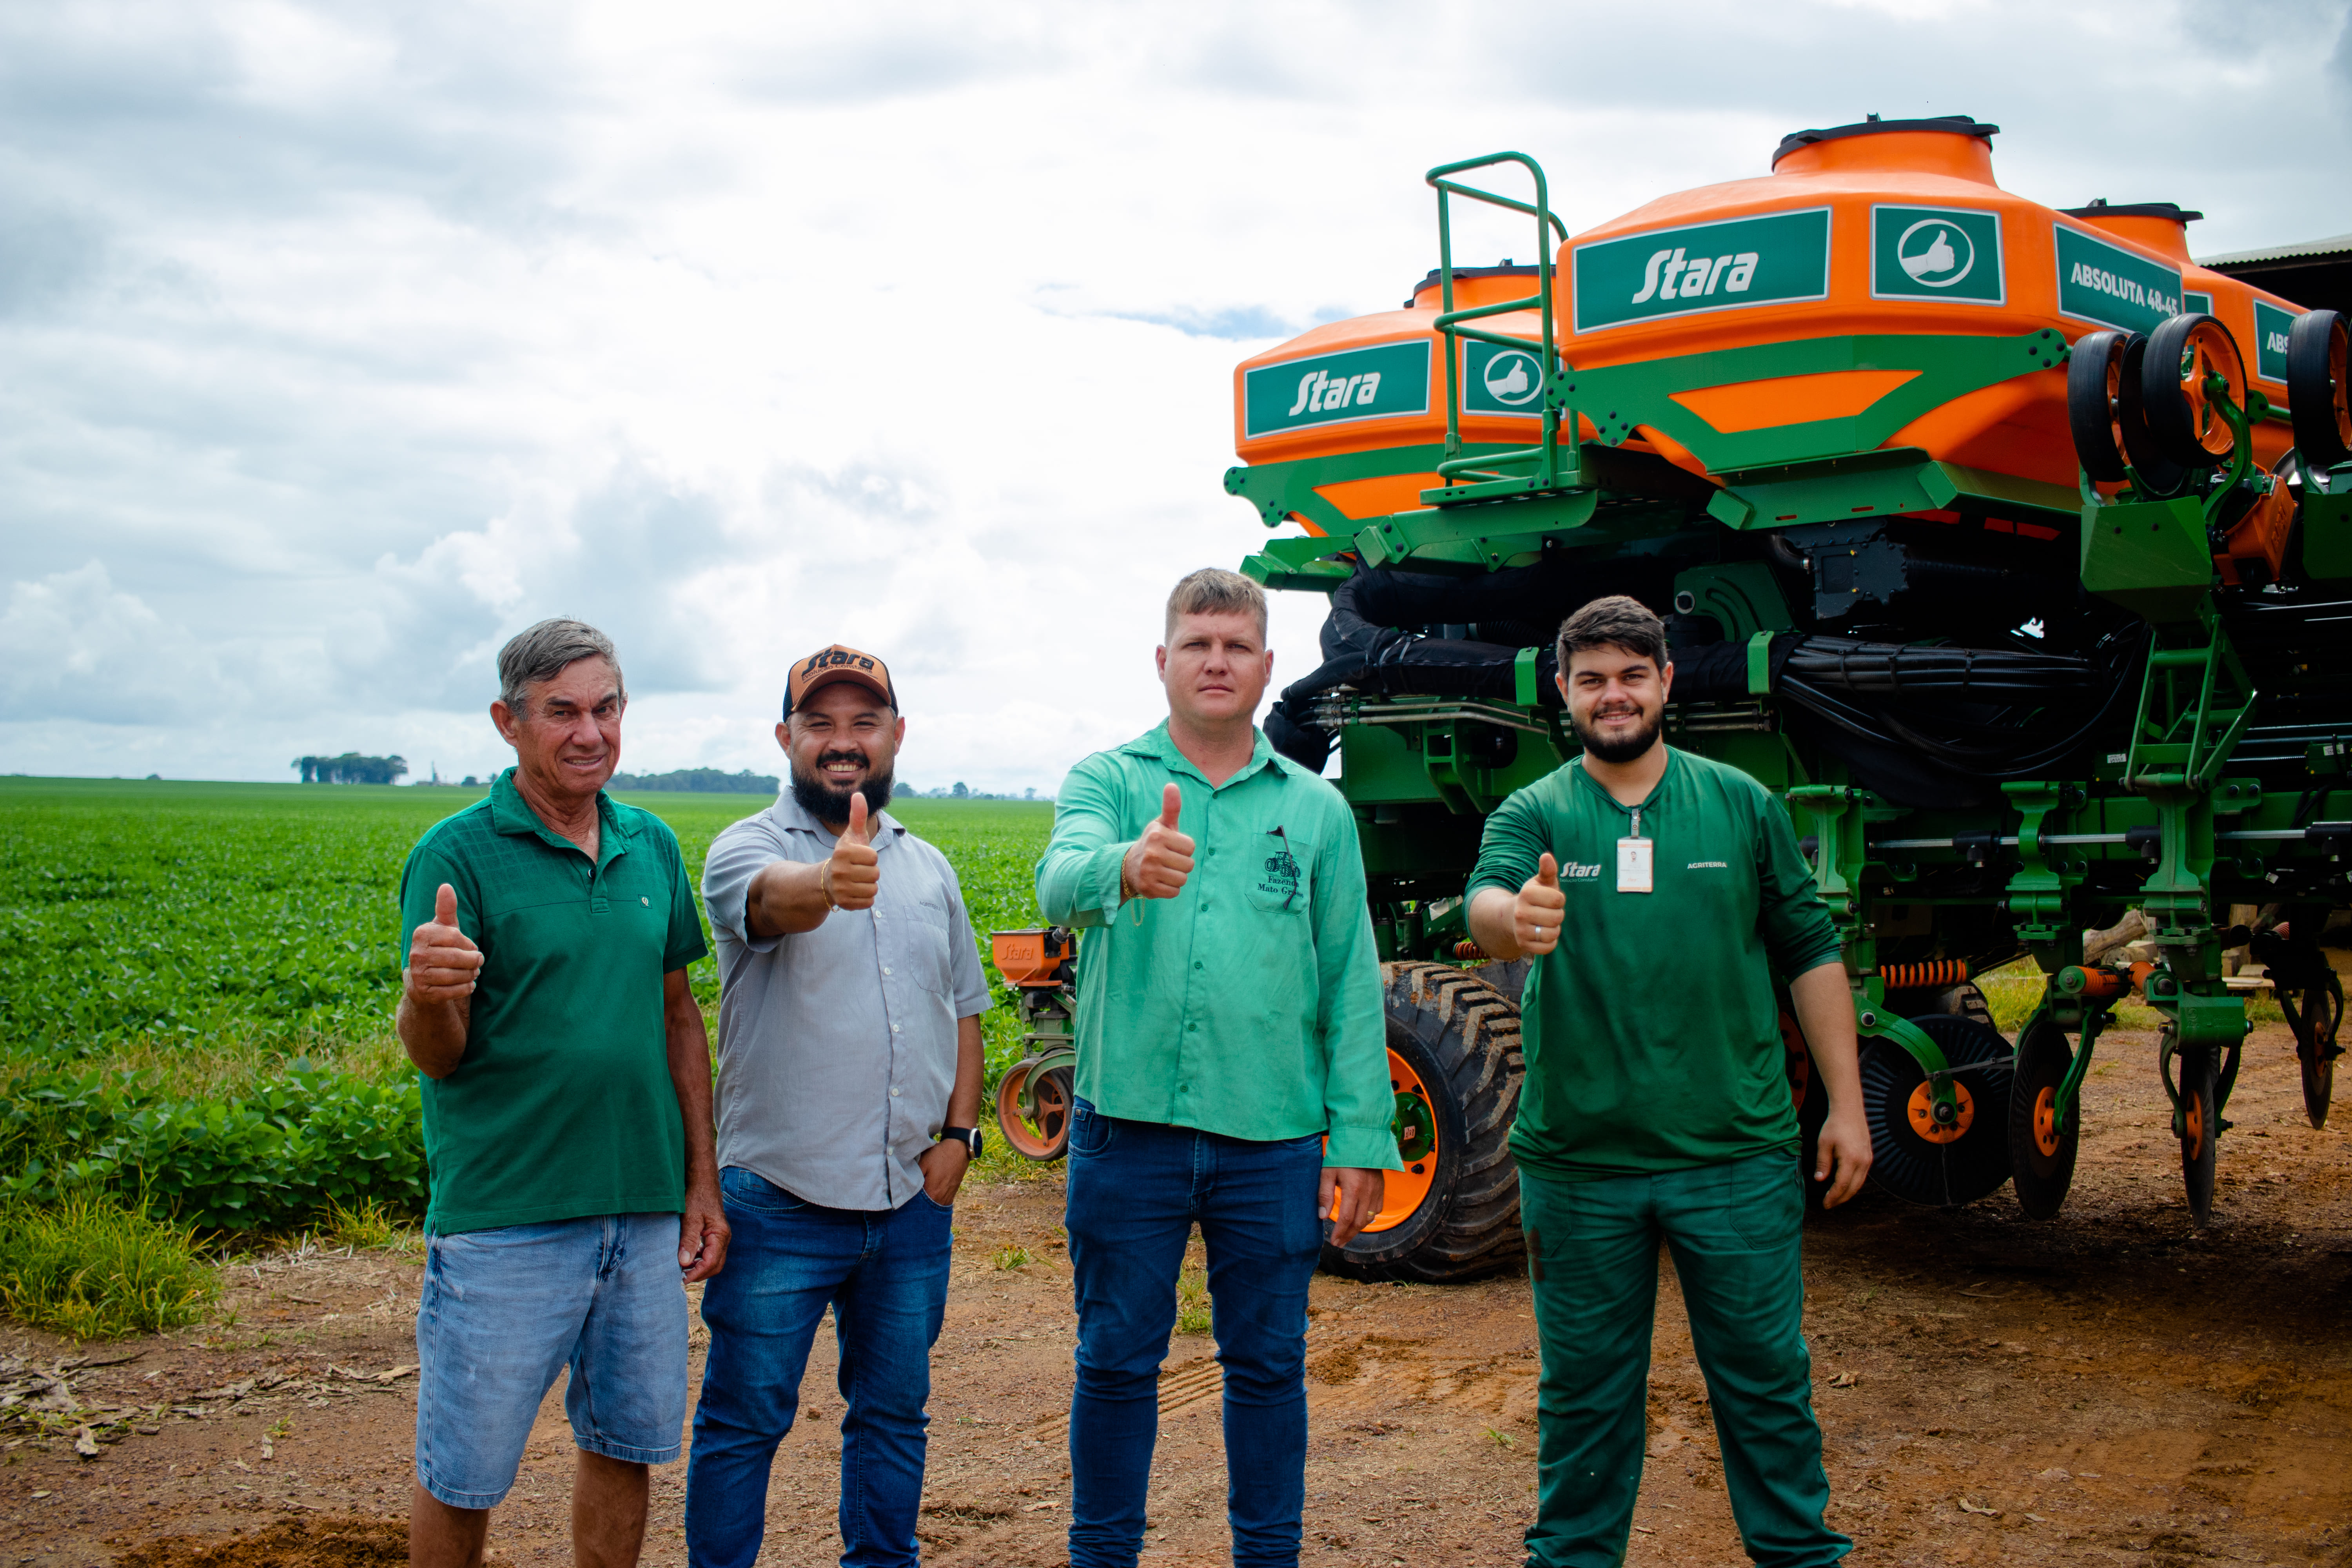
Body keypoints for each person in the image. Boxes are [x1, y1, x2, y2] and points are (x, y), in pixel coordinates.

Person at [1463, 594, 1872, 1568]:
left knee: (1767, 1382)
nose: (1614, 695)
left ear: (1666, 683)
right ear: (1563, 690)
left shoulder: (1741, 803)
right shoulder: (1536, 810)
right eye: (1593, 678)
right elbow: (1486, 899)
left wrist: (1849, 1106)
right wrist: (1514, 919)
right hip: (1578, 1166)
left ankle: (1799, 1557)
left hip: (1732, 1154)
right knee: (1585, 1396)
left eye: (1632, 675)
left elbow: (1811, 950)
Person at [1035, 567, 1400, 1568]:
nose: (1216, 661)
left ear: (1267, 667)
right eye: (1197, 643)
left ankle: (1266, 1557)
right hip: (1129, 1133)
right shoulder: (1110, 781)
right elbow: (1058, 877)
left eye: (1236, 646)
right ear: (1164, 660)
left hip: (1273, 1140)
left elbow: (1350, 981)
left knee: (1269, 1366)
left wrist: (1360, 1137)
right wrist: (1125, 863)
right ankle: (1102, 1555)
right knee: (1115, 1362)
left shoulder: (1317, 813)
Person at [397, 618, 727, 1568]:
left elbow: (678, 1018)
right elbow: (437, 1054)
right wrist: (430, 994)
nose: (590, 732)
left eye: (607, 707)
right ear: (508, 721)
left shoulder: (649, 844)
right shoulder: (457, 853)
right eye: (562, 712)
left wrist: (699, 1181)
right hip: (509, 1215)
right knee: (465, 1470)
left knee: (626, 1445)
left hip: (641, 1207)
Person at [683, 644, 989, 1568]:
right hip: (780, 1199)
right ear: (786, 737)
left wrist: (960, 1136)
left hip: (908, 1205)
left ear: (896, 735)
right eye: (821, 723)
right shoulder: (748, 848)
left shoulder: (931, 867)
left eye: (864, 722)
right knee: (745, 1419)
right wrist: (827, 884)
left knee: (894, 1415)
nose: (843, 742)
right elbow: (774, 905)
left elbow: (965, 1008)